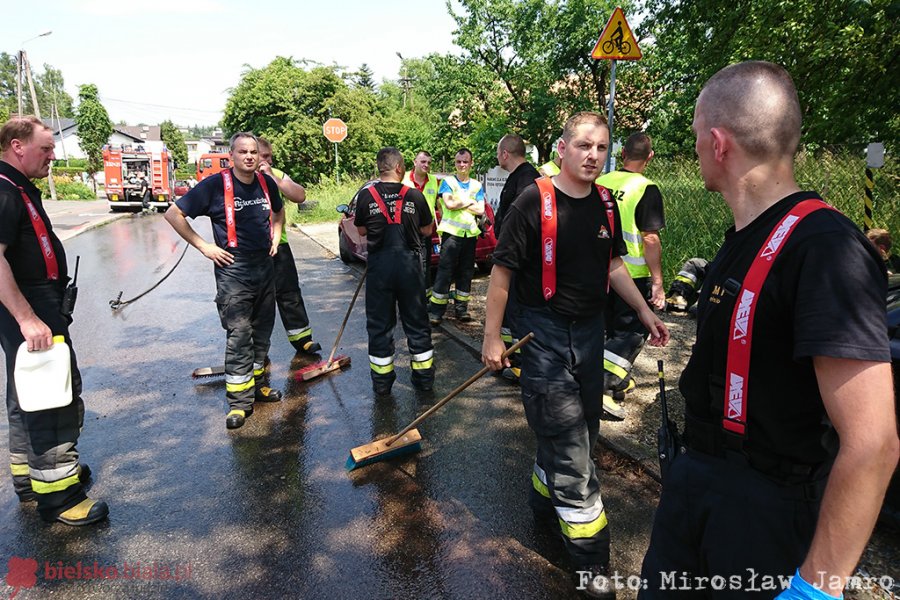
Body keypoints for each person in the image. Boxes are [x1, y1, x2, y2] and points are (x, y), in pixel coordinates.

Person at [639, 61, 898, 599]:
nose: (694, 150)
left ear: (718, 142)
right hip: (700, 487)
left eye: (694, 138)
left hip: (765, 515)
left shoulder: (825, 249)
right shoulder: (744, 235)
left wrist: (817, 586)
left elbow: (873, 443)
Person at [482, 111, 669, 599]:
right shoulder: (532, 201)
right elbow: (501, 274)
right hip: (542, 338)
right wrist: (492, 337)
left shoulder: (606, 204)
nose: (592, 155)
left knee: (582, 431)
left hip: (590, 334)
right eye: (583, 146)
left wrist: (646, 312)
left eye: (601, 147)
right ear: (561, 149)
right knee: (573, 452)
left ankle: (543, 502)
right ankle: (593, 566)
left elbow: (613, 267)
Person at [0, 116, 107, 526]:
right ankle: (60, 495)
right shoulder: (5, 191)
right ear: (17, 146)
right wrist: (27, 318)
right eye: (45, 148)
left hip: (35, 302)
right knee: (52, 399)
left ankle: (31, 480)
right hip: (29, 307)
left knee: (24, 393)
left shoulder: (17, 187)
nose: (53, 155)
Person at [165, 132, 285, 430]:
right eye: (243, 151)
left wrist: (277, 237)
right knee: (239, 334)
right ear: (231, 155)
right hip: (234, 270)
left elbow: (280, 213)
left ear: (260, 156)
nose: (249, 156)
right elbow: (173, 214)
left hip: (264, 267)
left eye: (254, 152)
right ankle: (239, 403)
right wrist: (204, 246)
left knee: (262, 334)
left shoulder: (267, 183)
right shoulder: (215, 186)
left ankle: (255, 389)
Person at [595, 133, 666, 420]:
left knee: (607, 329)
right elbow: (650, 239)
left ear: (621, 153)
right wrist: (658, 280)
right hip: (632, 275)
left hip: (600, 271)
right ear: (649, 157)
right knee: (632, 334)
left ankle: (619, 380)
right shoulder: (646, 188)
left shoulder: (602, 182)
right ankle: (601, 387)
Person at [355, 148, 435, 396]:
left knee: (379, 325)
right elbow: (427, 230)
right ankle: (423, 381)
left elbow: (361, 231)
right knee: (417, 323)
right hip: (409, 266)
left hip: (379, 268)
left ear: (380, 168)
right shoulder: (414, 195)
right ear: (400, 168)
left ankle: (382, 385)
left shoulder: (366, 197)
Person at [257, 137, 321, 356]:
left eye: (270, 157)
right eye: (265, 156)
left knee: (290, 294)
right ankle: (259, 349)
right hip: (251, 251)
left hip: (279, 245)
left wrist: (272, 177)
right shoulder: (237, 179)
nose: (269, 160)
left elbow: (299, 195)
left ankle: (302, 339)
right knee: (257, 301)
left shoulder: (276, 175)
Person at [494, 133, 541, 383]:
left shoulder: (525, 180)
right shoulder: (522, 176)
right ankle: (507, 356)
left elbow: (524, 222)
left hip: (520, 260)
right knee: (508, 313)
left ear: (505, 154)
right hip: (515, 256)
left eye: (497, 152)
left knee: (516, 312)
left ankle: (521, 364)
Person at [428, 148, 485, 325]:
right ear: (455, 163)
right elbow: (449, 204)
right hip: (451, 234)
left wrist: (460, 202)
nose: (462, 165)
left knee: (466, 272)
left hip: (470, 233)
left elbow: (481, 209)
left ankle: (462, 309)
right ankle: (436, 312)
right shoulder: (448, 182)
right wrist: (469, 201)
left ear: (471, 163)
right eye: (459, 161)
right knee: (445, 272)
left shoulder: (476, 185)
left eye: (465, 161)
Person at [401, 150, 439, 297]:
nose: (426, 165)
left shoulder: (434, 181)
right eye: (423, 162)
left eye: (429, 163)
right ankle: (408, 299)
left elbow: (439, 205)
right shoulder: (403, 180)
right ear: (415, 162)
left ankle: (424, 301)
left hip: (425, 230)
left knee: (425, 266)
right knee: (407, 265)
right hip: (406, 230)